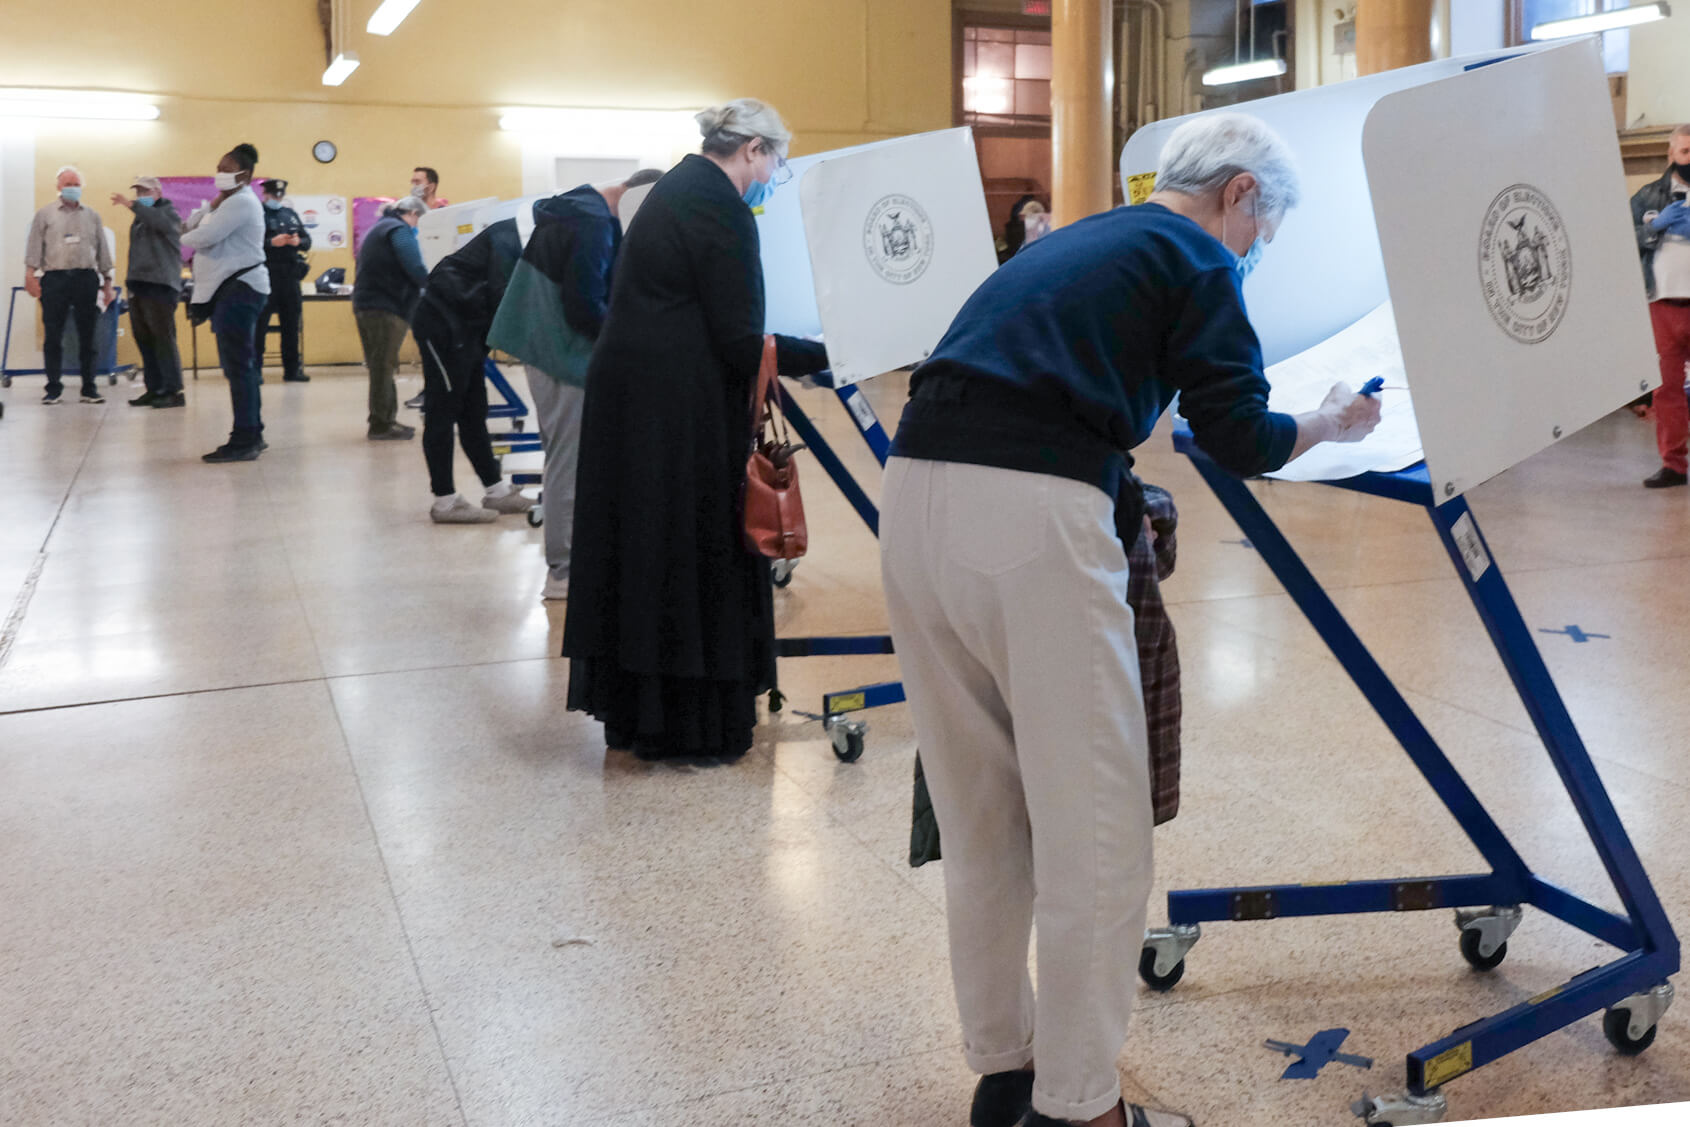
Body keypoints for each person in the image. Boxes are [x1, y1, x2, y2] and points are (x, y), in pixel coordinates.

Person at [878, 112, 1381, 1127]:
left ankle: (1005, 1067)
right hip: (1027, 516)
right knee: (1093, 831)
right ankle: (1081, 1104)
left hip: (916, 498)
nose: (1253, 253)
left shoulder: (1078, 237)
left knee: (981, 813)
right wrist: (1327, 421)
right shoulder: (1195, 254)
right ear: (1239, 194)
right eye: (1261, 232)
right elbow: (1237, 432)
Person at [562, 99, 828, 762]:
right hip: (675, 413)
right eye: (775, 162)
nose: (772, 175)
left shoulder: (675, 189)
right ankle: (689, 723)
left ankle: (644, 712)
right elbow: (740, 339)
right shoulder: (718, 205)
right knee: (687, 550)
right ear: (751, 150)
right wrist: (825, 353)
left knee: (648, 550)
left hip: (642, 402)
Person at [486, 168, 665, 595]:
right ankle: (564, 570)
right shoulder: (595, 223)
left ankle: (579, 554)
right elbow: (585, 304)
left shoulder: (579, 206)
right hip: (559, 349)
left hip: (541, 341)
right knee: (571, 457)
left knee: (566, 453)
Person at [408, 214, 532, 523]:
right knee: (443, 408)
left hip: (468, 328)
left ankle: (497, 492)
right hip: (443, 324)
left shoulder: (528, 236)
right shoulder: (509, 235)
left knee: (473, 410)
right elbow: (504, 296)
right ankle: (445, 501)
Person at [182, 143, 271, 462]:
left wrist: (175, 240)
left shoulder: (243, 203)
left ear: (244, 175)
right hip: (231, 290)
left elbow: (203, 237)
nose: (219, 174)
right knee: (240, 367)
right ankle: (252, 432)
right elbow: (193, 224)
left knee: (239, 368)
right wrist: (212, 205)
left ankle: (245, 438)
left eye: (226, 169)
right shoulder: (227, 202)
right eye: (218, 167)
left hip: (241, 289)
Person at [23, 165, 115, 404]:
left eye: (75, 184)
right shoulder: (45, 215)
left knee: (88, 335)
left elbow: (103, 251)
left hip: (86, 278)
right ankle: (53, 388)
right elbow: (34, 247)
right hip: (55, 280)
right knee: (53, 335)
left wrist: (108, 283)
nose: (72, 188)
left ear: (81, 187)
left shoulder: (92, 215)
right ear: (58, 187)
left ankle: (89, 387)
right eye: (67, 184)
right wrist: (30, 275)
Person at [1633, 123, 1690, 489]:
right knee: (1666, 389)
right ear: (1671, 154)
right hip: (1663, 304)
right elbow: (1618, 238)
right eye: (1685, 152)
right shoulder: (1647, 196)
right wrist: (1654, 228)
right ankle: (1674, 465)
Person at [352, 194, 429, 440]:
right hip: (385, 307)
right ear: (413, 214)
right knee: (383, 366)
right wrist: (436, 286)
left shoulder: (381, 228)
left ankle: (385, 419)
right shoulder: (398, 230)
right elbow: (415, 266)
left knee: (380, 365)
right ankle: (381, 424)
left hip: (370, 305)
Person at [110, 176, 185, 408]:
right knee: (144, 339)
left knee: (163, 339)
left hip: (160, 286)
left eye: (145, 191)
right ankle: (154, 388)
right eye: (138, 192)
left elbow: (161, 224)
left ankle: (173, 390)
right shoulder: (140, 219)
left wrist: (132, 205)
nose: (140, 195)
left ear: (158, 192)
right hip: (139, 285)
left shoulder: (168, 213)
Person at [256, 178, 312, 383]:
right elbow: (250, 244)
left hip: (290, 276)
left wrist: (298, 241)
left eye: (281, 195)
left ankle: (292, 369)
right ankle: (255, 370)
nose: (277, 199)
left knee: (291, 325)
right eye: (274, 195)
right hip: (266, 276)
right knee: (259, 325)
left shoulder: (290, 214)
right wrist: (272, 242)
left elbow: (307, 241)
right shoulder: (257, 215)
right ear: (266, 194)